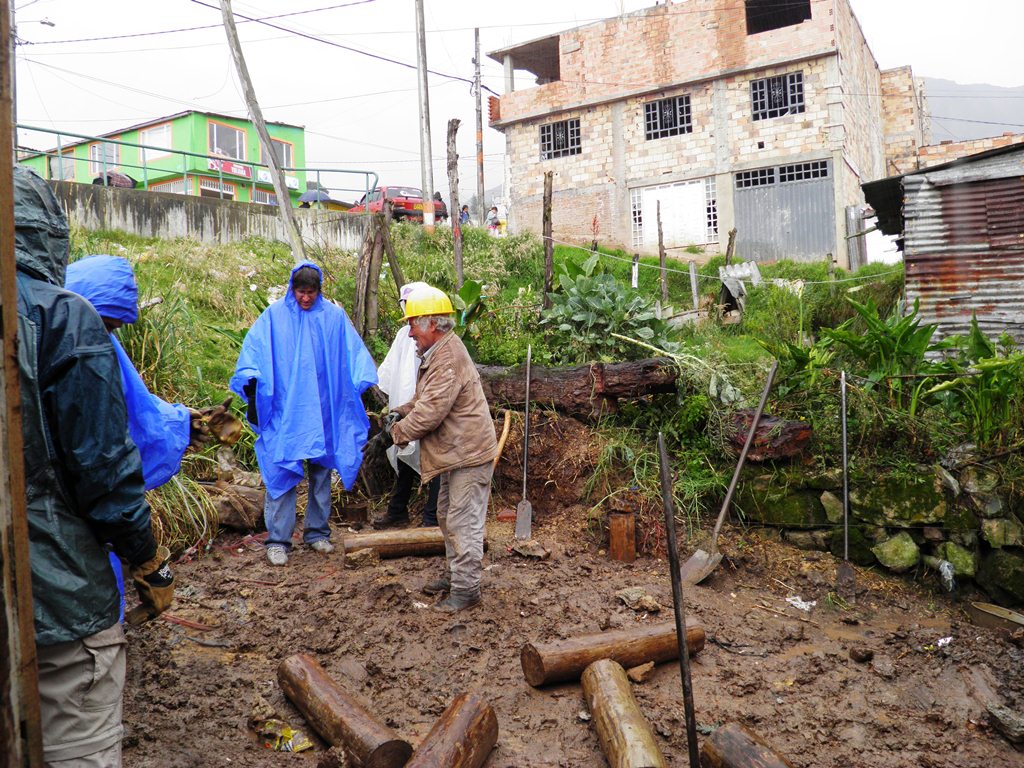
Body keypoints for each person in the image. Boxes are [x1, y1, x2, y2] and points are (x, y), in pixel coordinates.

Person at [14, 166, 175, 767]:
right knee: (76, 737)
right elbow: (104, 471)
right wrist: (147, 558)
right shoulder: (60, 318)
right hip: (58, 596)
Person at [230, 262, 377, 566]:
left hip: (324, 412)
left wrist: (356, 388)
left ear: (319, 290)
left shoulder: (333, 317)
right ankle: (278, 540)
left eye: (311, 292)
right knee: (282, 472)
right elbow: (253, 355)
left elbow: (354, 355)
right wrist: (254, 393)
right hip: (286, 412)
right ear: (292, 289)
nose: (306, 298)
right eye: (301, 292)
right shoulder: (274, 317)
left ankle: (317, 532)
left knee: (321, 473)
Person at [386, 285, 497, 612]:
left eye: (413, 324)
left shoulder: (446, 358)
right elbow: (424, 400)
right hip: (458, 452)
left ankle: (466, 589)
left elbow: (430, 413)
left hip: (468, 454)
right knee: (448, 515)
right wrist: (401, 412)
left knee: (463, 521)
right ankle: (456, 575)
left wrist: (395, 434)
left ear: (432, 324)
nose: (409, 333)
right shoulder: (440, 351)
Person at [373, 282, 441, 529]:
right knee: (405, 454)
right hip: (410, 405)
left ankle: (431, 517)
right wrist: (399, 412)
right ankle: (398, 510)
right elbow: (391, 374)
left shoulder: (439, 340)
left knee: (434, 457)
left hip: (431, 406)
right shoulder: (405, 335)